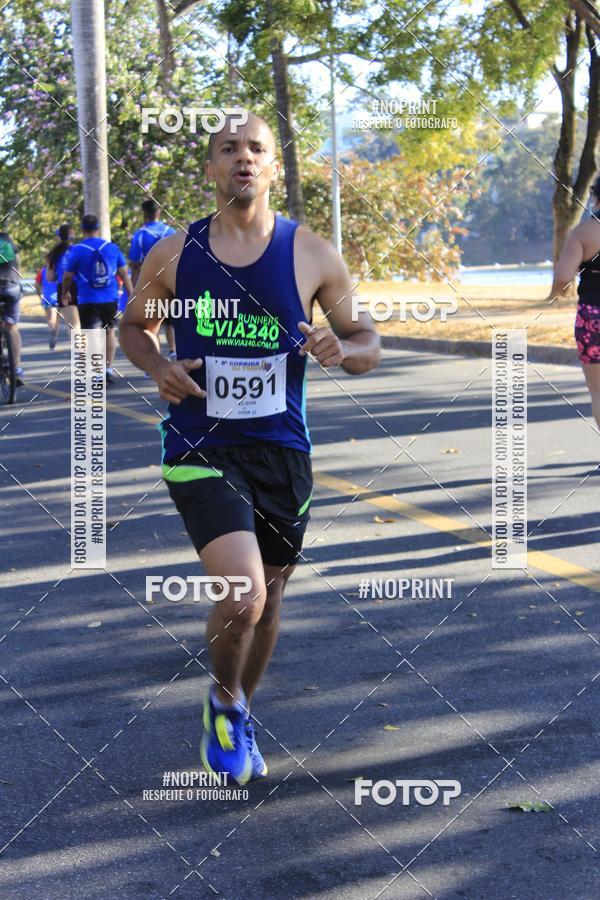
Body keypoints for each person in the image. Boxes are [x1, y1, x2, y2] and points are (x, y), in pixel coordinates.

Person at [120, 112, 381, 785]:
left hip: (282, 452)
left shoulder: (313, 254)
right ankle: (224, 698)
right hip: (200, 446)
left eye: (256, 148)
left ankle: (237, 705)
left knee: (271, 594)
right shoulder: (174, 254)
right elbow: (134, 327)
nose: (243, 157)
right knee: (243, 596)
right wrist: (158, 366)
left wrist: (343, 347)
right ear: (211, 168)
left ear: (273, 166)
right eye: (228, 148)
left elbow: (367, 342)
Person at [552, 174, 600, 431]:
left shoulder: (583, 233)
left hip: (592, 315)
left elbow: (563, 278)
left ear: (595, 197)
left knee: (598, 390)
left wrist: (561, 288)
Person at [62, 214, 133, 385]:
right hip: (110, 298)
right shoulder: (112, 247)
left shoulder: (77, 250)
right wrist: (132, 294)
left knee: (92, 335)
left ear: (82, 229)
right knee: (109, 332)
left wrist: (65, 292)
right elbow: (124, 273)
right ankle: (108, 369)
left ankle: (97, 372)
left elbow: (68, 276)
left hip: (88, 299)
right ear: (98, 228)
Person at [128, 199, 177, 359]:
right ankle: (173, 351)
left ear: (144, 214)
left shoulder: (141, 234)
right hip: (170, 282)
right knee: (171, 320)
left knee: (151, 322)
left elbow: (135, 265)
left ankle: (155, 356)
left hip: (150, 284)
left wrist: (135, 289)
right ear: (159, 212)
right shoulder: (171, 232)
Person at [0, 231, 25, 385]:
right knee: (12, 326)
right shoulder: (7, 240)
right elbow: (18, 267)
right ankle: (16, 369)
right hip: (11, 287)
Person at [47, 223, 79, 331]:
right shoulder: (79, 250)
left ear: (59, 236)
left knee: (74, 326)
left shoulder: (54, 253)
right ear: (72, 234)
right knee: (86, 325)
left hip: (64, 288)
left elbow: (50, 277)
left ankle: (79, 343)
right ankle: (86, 342)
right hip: (81, 287)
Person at [35, 265, 60, 349]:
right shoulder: (63, 267)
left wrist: (39, 294)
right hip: (61, 297)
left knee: (51, 319)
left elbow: (37, 284)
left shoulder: (43, 271)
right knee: (57, 320)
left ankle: (53, 336)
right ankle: (54, 338)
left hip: (48, 297)